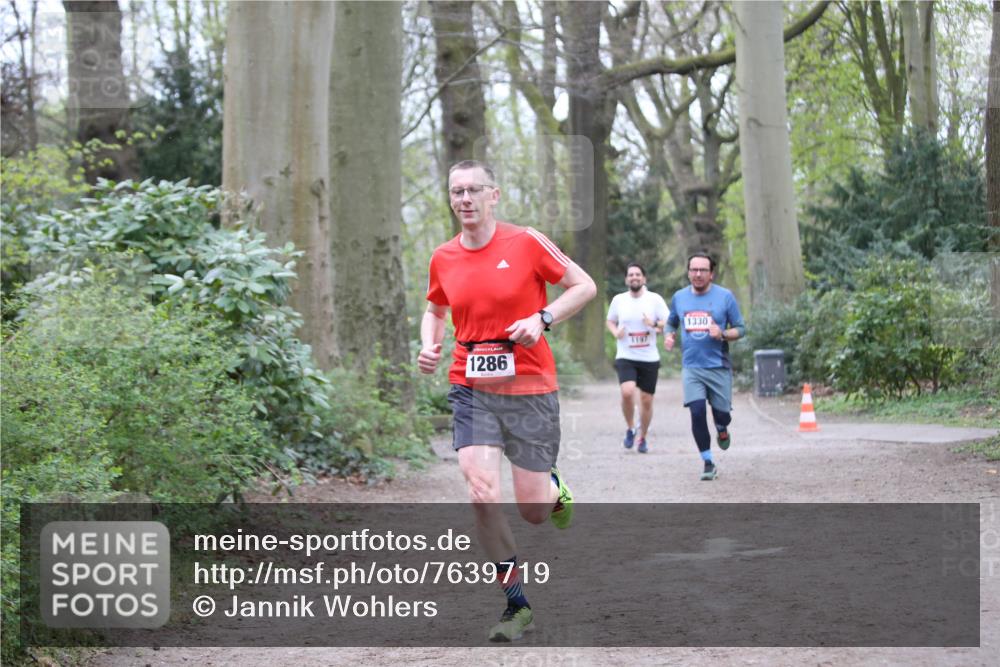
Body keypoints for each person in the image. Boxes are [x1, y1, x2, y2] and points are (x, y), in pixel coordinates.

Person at [417, 160, 596, 642]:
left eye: (474, 189)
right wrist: (429, 343)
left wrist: (542, 318)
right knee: (481, 493)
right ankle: (517, 605)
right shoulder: (443, 257)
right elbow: (434, 310)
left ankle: (554, 488)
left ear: (494, 195)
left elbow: (584, 286)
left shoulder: (526, 242)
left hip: (530, 387)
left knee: (533, 509)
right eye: (457, 191)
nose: (465, 199)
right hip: (470, 387)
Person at [663, 253, 746, 481]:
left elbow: (741, 328)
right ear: (688, 272)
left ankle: (722, 427)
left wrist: (723, 334)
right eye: (693, 270)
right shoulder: (679, 297)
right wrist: (669, 335)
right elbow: (671, 322)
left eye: (702, 270)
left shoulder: (725, 297)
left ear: (711, 273)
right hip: (692, 368)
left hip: (718, 366)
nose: (697, 274)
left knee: (723, 414)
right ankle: (708, 461)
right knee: (697, 412)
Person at [606, 262, 669, 453]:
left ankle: (642, 437)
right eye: (631, 275)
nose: (634, 277)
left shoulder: (654, 299)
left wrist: (654, 323)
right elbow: (610, 320)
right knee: (627, 392)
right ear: (626, 279)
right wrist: (616, 332)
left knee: (646, 399)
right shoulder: (619, 300)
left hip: (649, 357)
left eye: (638, 274)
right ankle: (631, 427)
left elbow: (668, 322)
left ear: (644, 278)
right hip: (626, 355)